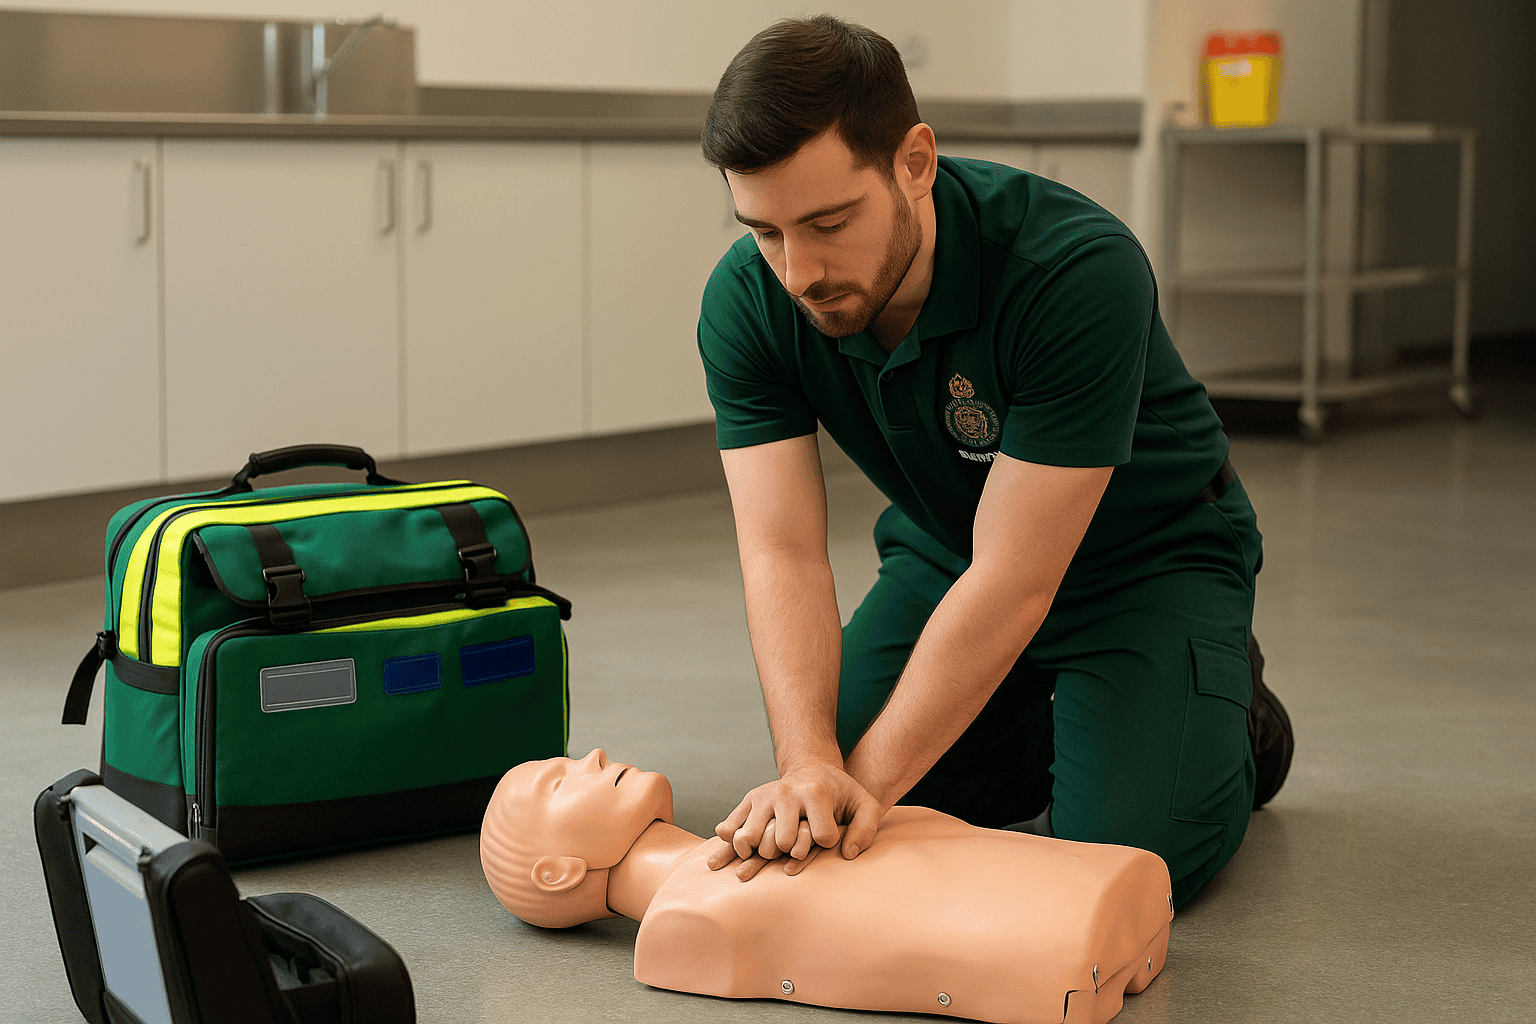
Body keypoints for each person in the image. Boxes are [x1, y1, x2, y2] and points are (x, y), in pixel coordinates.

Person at [694, 15, 1294, 909]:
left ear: (915, 162)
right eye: (766, 231)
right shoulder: (749, 300)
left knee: (1124, 859)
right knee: (851, 775)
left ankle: (1231, 712)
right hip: (954, 551)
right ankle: (1063, 720)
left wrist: (867, 783)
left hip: (1145, 561)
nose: (798, 273)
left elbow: (1018, 580)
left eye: (828, 222)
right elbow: (780, 550)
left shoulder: (1074, 270)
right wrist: (812, 764)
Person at [480, 750, 1174, 1024]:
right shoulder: (683, 922)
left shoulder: (744, 844)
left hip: (1083, 887)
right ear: (556, 872)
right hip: (1055, 939)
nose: (593, 757)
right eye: (560, 779)